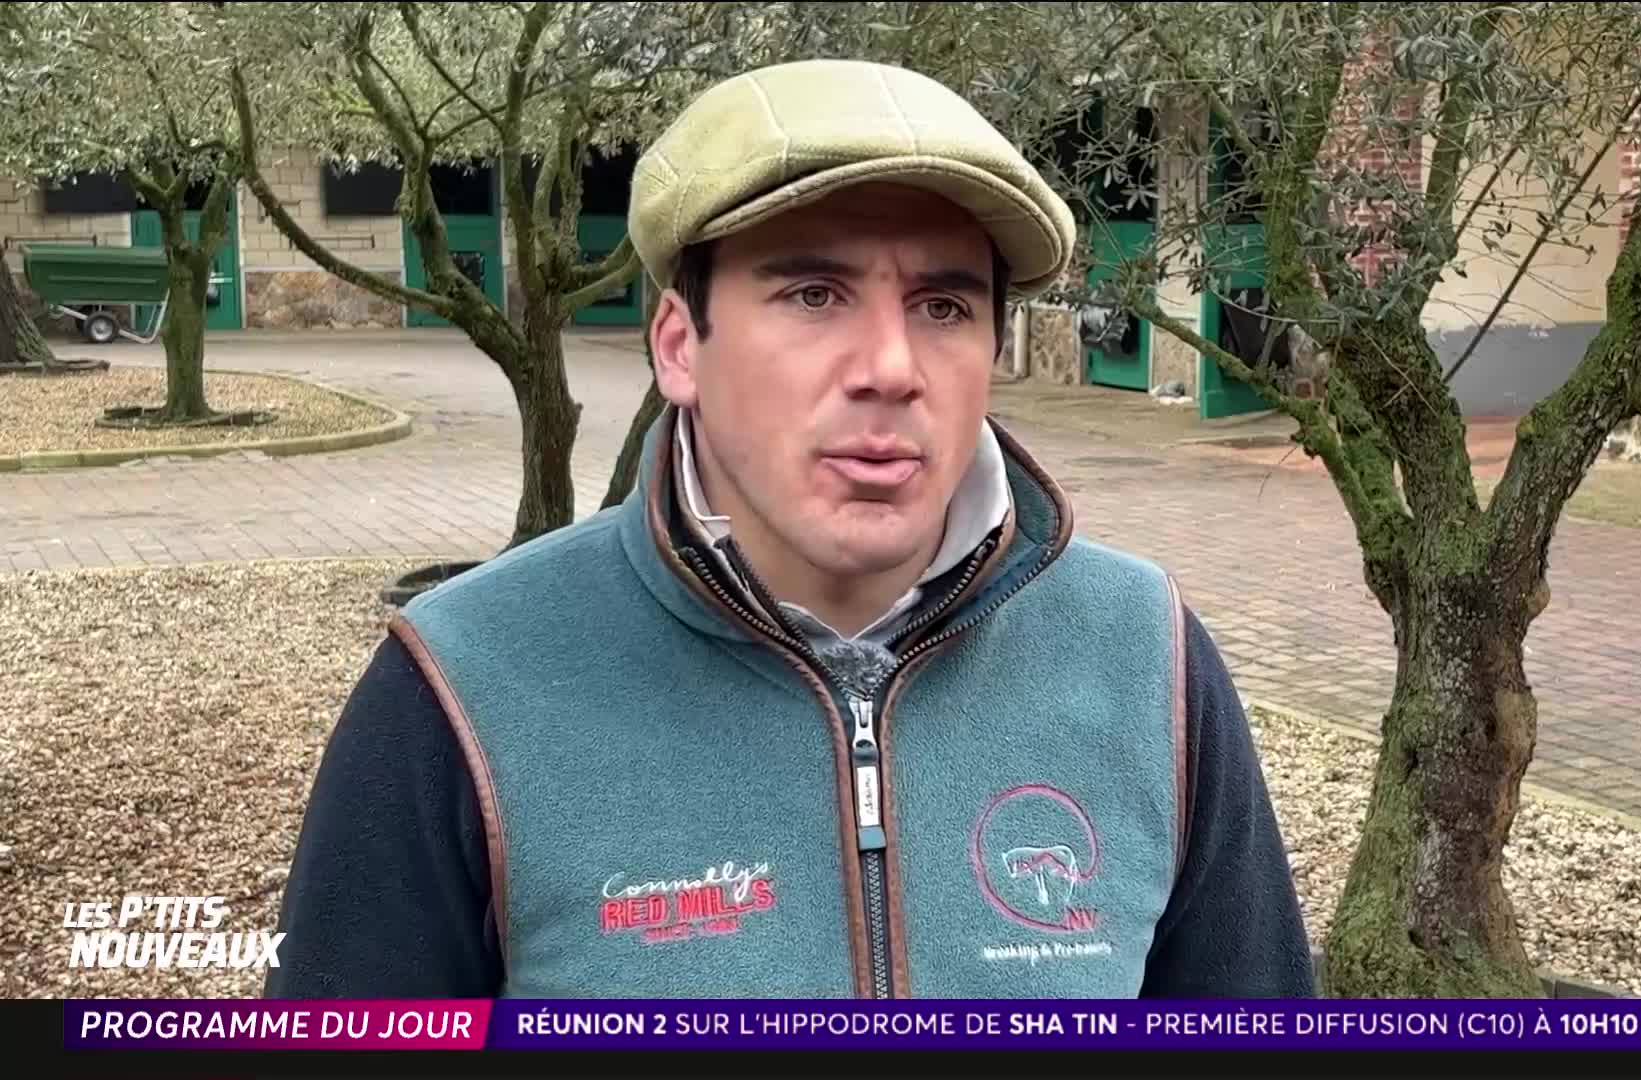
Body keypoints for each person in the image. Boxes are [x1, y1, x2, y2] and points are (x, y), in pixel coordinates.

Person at [265, 58, 1314, 1000]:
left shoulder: (1146, 657)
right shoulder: (461, 685)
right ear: (679, 345)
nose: (891, 367)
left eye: (944, 307)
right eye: (815, 294)